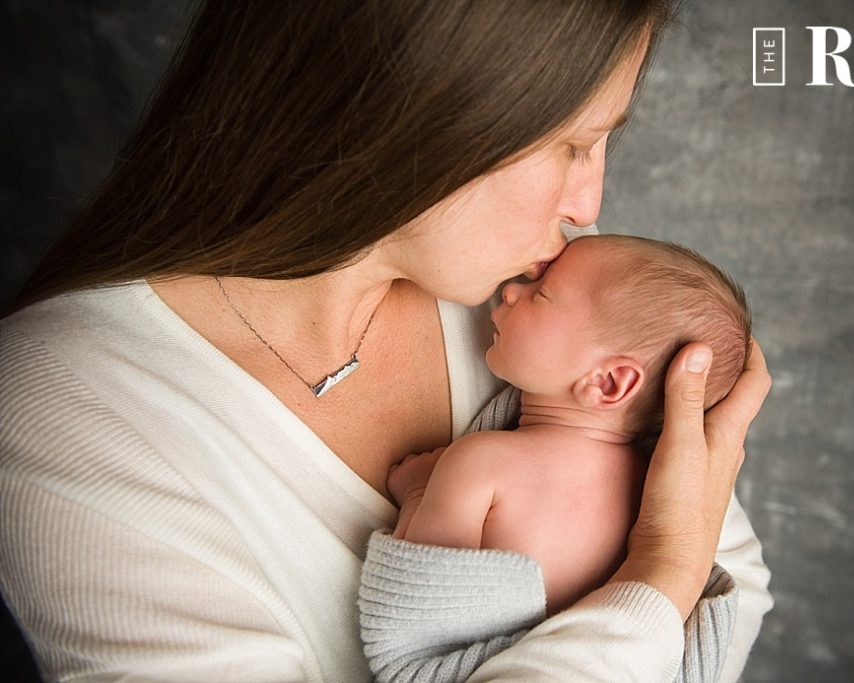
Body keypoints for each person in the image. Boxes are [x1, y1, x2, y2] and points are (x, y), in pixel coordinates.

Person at [0, 3, 772, 682]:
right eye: (573, 145)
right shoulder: (61, 407)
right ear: (422, 111)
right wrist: (662, 574)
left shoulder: (544, 289)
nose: (587, 202)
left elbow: (737, 589)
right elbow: (691, 572)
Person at [359, 234, 752, 682]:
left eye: (541, 294)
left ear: (608, 383)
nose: (511, 289)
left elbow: (421, 607)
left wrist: (416, 494)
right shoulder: (658, 491)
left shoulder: (480, 465)